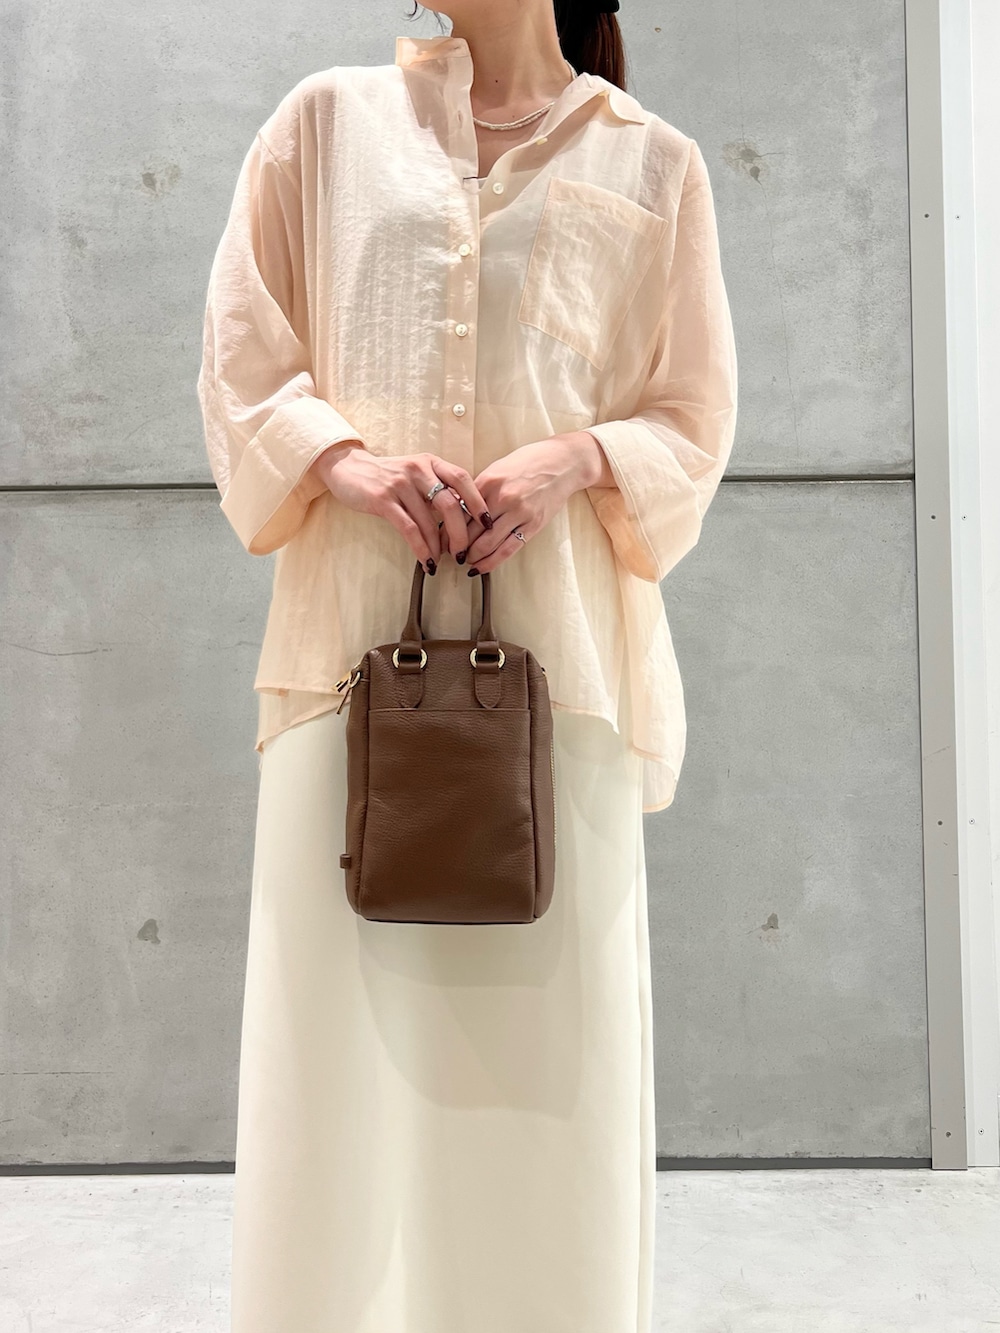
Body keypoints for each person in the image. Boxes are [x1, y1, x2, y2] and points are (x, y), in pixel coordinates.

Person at [196, 1, 738, 1329]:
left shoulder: (653, 160)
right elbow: (241, 359)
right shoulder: (325, 127)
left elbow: (694, 415)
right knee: (336, 1060)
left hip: (563, 687)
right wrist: (343, 461)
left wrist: (578, 458)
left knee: (550, 1068)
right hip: (343, 672)